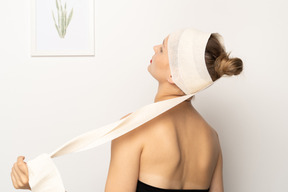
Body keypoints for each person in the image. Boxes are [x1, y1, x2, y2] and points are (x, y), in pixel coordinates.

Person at [11, 28, 243, 192]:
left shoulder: (135, 127)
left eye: (162, 48)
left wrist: (41, 184)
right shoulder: (212, 138)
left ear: (173, 75)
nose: (154, 47)